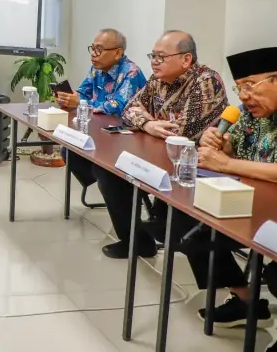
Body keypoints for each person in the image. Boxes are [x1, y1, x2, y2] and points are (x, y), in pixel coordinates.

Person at [94, 31, 228, 259]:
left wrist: (149, 122)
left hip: (193, 164)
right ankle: (135, 241)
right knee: (108, 170)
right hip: (159, 152)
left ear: (186, 59)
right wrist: (148, 124)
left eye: (161, 57)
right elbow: (129, 108)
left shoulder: (206, 81)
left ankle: (160, 231)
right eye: (153, 56)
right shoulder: (158, 80)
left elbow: (182, 132)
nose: (154, 62)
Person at [174, 46, 277, 329]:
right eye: (239, 87)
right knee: (188, 226)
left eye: (249, 86)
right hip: (250, 200)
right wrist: (223, 145)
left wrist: (226, 165)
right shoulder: (247, 113)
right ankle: (246, 301)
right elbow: (236, 152)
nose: (243, 96)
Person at [57, 29, 147, 210]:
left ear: (118, 52)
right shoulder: (96, 70)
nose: (93, 54)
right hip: (100, 130)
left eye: (99, 50)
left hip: (126, 137)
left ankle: (117, 189)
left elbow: (119, 106)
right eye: (92, 49)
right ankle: (104, 182)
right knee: (69, 151)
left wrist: (81, 102)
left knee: (104, 168)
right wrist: (69, 98)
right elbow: (83, 92)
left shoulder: (131, 72)